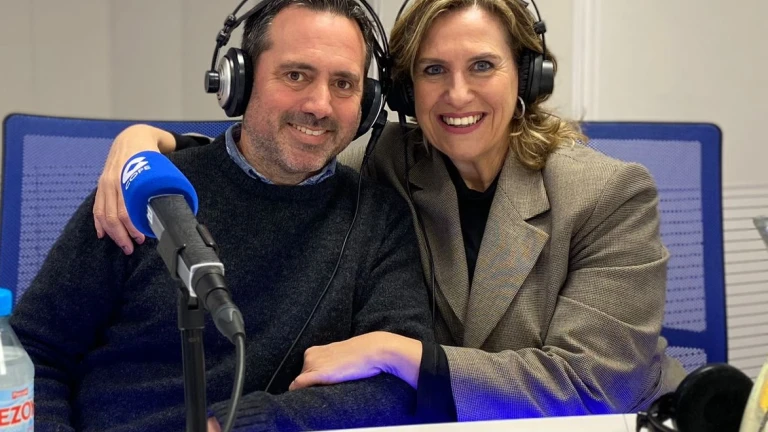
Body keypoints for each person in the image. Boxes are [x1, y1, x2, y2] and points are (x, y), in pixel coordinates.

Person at [92, 0, 688, 424]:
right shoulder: (393, 159)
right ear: (402, 94)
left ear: (528, 77)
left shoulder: (609, 193)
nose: (457, 94)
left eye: (483, 65)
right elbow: (288, 143)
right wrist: (160, 143)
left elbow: (593, 384)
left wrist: (401, 353)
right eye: (433, 71)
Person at [9, 1, 437, 431]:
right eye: (296, 75)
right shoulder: (151, 191)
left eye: (343, 83)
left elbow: (399, 383)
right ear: (240, 81)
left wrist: (245, 423)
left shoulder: (379, 221)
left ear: (367, 103)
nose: (320, 105)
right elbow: (33, 352)